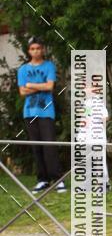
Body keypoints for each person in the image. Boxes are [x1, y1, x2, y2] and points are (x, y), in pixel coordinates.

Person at [17, 37, 65, 193]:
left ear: (42, 49)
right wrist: (40, 87)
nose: (35, 51)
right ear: (28, 51)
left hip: (46, 111)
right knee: (36, 146)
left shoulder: (49, 66)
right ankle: (43, 180)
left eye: (38, 48)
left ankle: (58, 180)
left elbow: (50, 86)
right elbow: (22, 92)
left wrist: (30, 85)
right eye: (32, 49)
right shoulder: (23, 70)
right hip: (29, 112)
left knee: (49, 145)